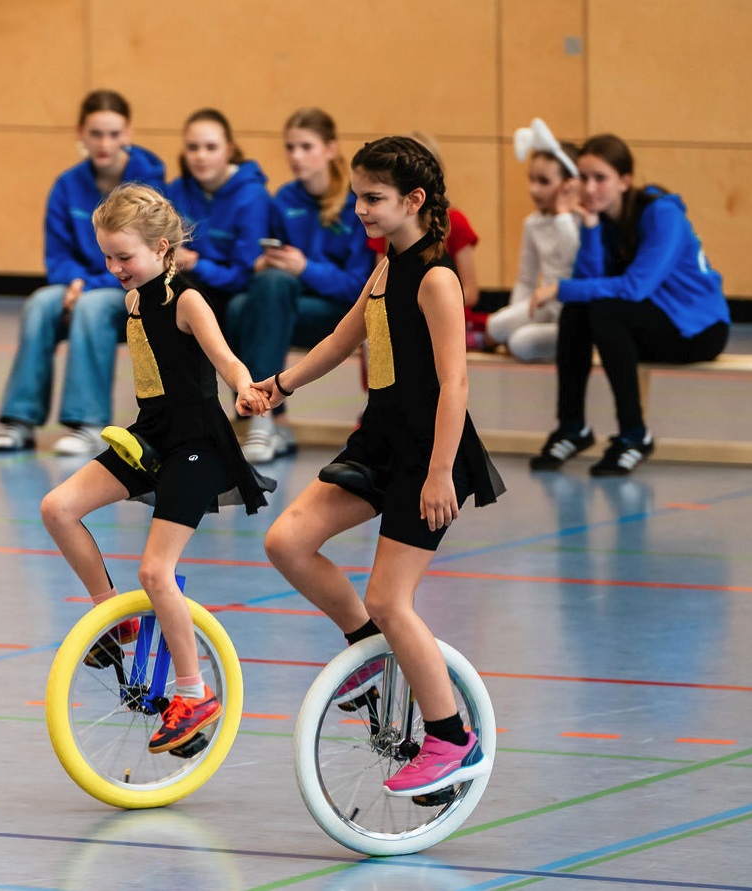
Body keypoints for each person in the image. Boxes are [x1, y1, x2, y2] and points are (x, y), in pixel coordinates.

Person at [261, 136, 504, 796]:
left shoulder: (436, 279)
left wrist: (438, 473)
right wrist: (278, 385)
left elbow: (455, 384)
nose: (359, 209)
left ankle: (452, 735)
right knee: (286, 540)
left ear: (414, 201)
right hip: (377, 444)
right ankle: (366, 648)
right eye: (357, 196)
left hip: (430, 457)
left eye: (372, 198)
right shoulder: (386, 267)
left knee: (392, 597)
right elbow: (344, 339)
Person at [40, 184, 274, 753]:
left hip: (198, 445)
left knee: (154, 572)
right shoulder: (132, 300)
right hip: (151, 437)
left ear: (162, 247)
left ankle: (192, 693)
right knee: (58, 508)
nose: (113, 268)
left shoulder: (188, 301)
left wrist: (245, 390)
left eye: (124, 256)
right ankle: (111, 618)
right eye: (107, 257)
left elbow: (227, 360)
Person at [530, 133, 730, 476]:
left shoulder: (662, 215)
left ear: (624, 182)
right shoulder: (603, 220)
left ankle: (634, 434)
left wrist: (557, 289)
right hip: (650, 319)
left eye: (601, 178)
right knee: (579, 310)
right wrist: (590, 228)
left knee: (605, 311)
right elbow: (587, 281)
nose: (590, 188)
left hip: (697, 329)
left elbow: (635, 287)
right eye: (584, 178)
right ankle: (572, 426)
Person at [0, 90, 166, 456]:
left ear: (128, 134)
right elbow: (56, 255)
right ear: (80, 134)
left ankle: (87, 423)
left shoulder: (150, 182)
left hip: (130, 287)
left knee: (93, 307)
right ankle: (19, 421)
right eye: (96, 134)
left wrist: (90, 285)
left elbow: (149, 258)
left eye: (114, 134)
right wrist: (75, 282)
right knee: (40, 303)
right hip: (79, 284)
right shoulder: (66, 185)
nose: (105, 143)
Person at [225, 107, 374, 464]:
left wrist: (305, 268)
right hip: (286, 305)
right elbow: (261, 263)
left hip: (337, 313)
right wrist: (264, 263)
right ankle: (274, 422)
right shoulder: (285, 200)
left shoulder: (356, 202)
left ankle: (263, 419)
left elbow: (358, 285)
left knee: (260, 299)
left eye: (306, 147)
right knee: (238, 306)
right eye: (290, 148)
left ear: (331, 149)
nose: (295, 156)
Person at [365, 131, 483, 349]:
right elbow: (380, 286)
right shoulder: (385, 226)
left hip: (446, 318)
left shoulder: (455, 221)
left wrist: (430, 306)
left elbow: (471, 292)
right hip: (401, 318)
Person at [165, 108, 270, 330]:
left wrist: (195, 264)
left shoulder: (252, 196)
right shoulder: (177, 190)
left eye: (211, 147)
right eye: (193, 148)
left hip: (231, 291)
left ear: (229, 150)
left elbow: (245, 274)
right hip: (187, 284)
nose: (200, 156)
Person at [485, 119, 580, 362]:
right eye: (532, 179)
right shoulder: (533, 223)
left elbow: (575, 261)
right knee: (496, 325)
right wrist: (518, 311)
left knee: (521, 343)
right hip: (545, 306)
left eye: (544, 181)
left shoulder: (581, 221)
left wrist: (562, 215)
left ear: (570, 184)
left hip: (574, 311)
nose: (534, 190)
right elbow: (526, 279)